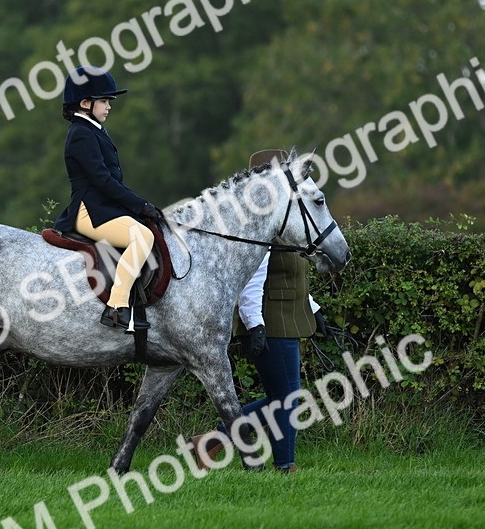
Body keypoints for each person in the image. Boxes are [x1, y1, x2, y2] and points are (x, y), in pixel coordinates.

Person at [192, 150, 333, 473]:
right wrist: (255, 324)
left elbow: (293, 276)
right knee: (287, 397)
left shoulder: (287, 219)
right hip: (269, 318)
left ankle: (213, 441)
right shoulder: (262, 224)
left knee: (280, 397)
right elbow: (251, 280)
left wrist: (314, 310)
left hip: (285, 316)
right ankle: (285, 465)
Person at [53, 66, 164, 332]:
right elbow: (103, 180)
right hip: (89, 211)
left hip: (103, 207)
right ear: (85, 103)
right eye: (104, 101)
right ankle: (116, 306)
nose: (109, 106)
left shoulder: (93, 129)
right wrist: (140, 205)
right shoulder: (81, 134)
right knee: (142, 237)